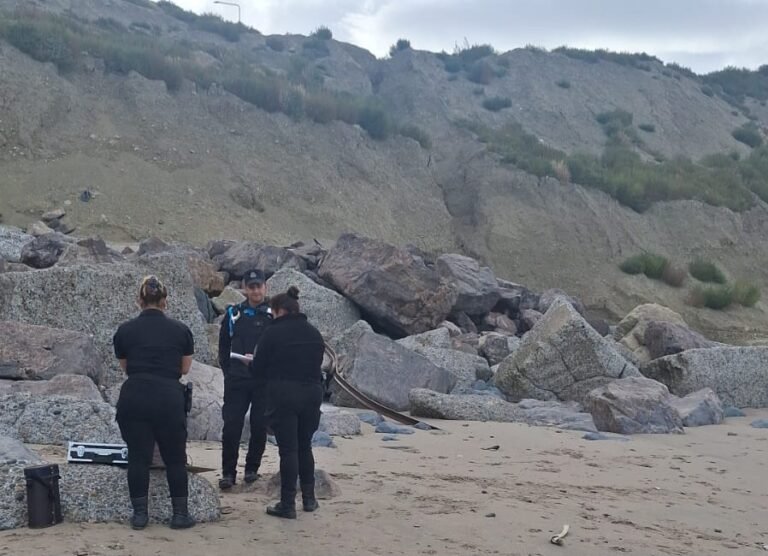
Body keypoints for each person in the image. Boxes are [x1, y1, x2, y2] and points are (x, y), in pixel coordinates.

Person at [113, 275, 196, 530]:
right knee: (174, 458)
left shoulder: (124, 330)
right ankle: (180, 514)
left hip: (135, 395)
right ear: (165, 301)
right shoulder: (182, 330)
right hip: (168, 397)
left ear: (139, 300)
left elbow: (127, 368)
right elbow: (183, 369)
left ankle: (140, 515)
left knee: (138, 458)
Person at [251, 286, 325, 519]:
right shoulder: (314, 333)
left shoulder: (273, 333)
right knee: (305, 446)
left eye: (273, 313)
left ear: (280, 311)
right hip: (312, 393)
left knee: (288, 450)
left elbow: (258, 367)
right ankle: (310, 499)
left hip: (284, 394)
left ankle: (287, 502)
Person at [217, 268, 272, 490]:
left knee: (259, 426)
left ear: (265, 287)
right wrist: (228, 371)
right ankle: (228, 473)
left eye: (259, 286)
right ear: (244, 289)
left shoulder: (273, 315)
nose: (255, 290)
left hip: (263, 381)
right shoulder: (233, 314)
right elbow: (222, 346)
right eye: (251, 287)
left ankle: (252, 470)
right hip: (237, 380)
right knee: (232, 426)